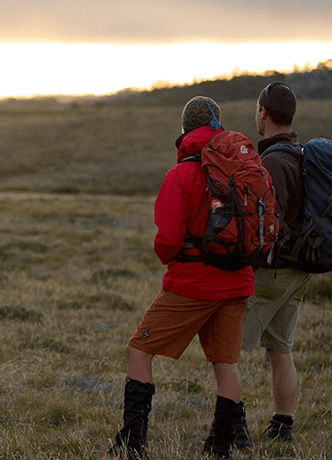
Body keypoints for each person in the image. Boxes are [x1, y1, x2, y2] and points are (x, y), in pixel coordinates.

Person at [105, 97, 254, 460]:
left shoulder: (180, 175)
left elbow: (169, 239)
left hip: (193, 283)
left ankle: (132, 444)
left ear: (184, 130)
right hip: (239, 280)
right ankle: (222, 448)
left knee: (138, 352)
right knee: (226, 362)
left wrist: (168, 256)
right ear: (218, 126)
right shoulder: (243, 168)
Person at [239, 82, 310, 443]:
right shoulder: (299, 154)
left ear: (264, 113)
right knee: (280, 349)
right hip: (299, 270)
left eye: (257, 108)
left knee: (228, 349)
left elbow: (268, 223)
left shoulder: (272, 161)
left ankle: (231, 427)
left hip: (274, 271)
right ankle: (283, 426)